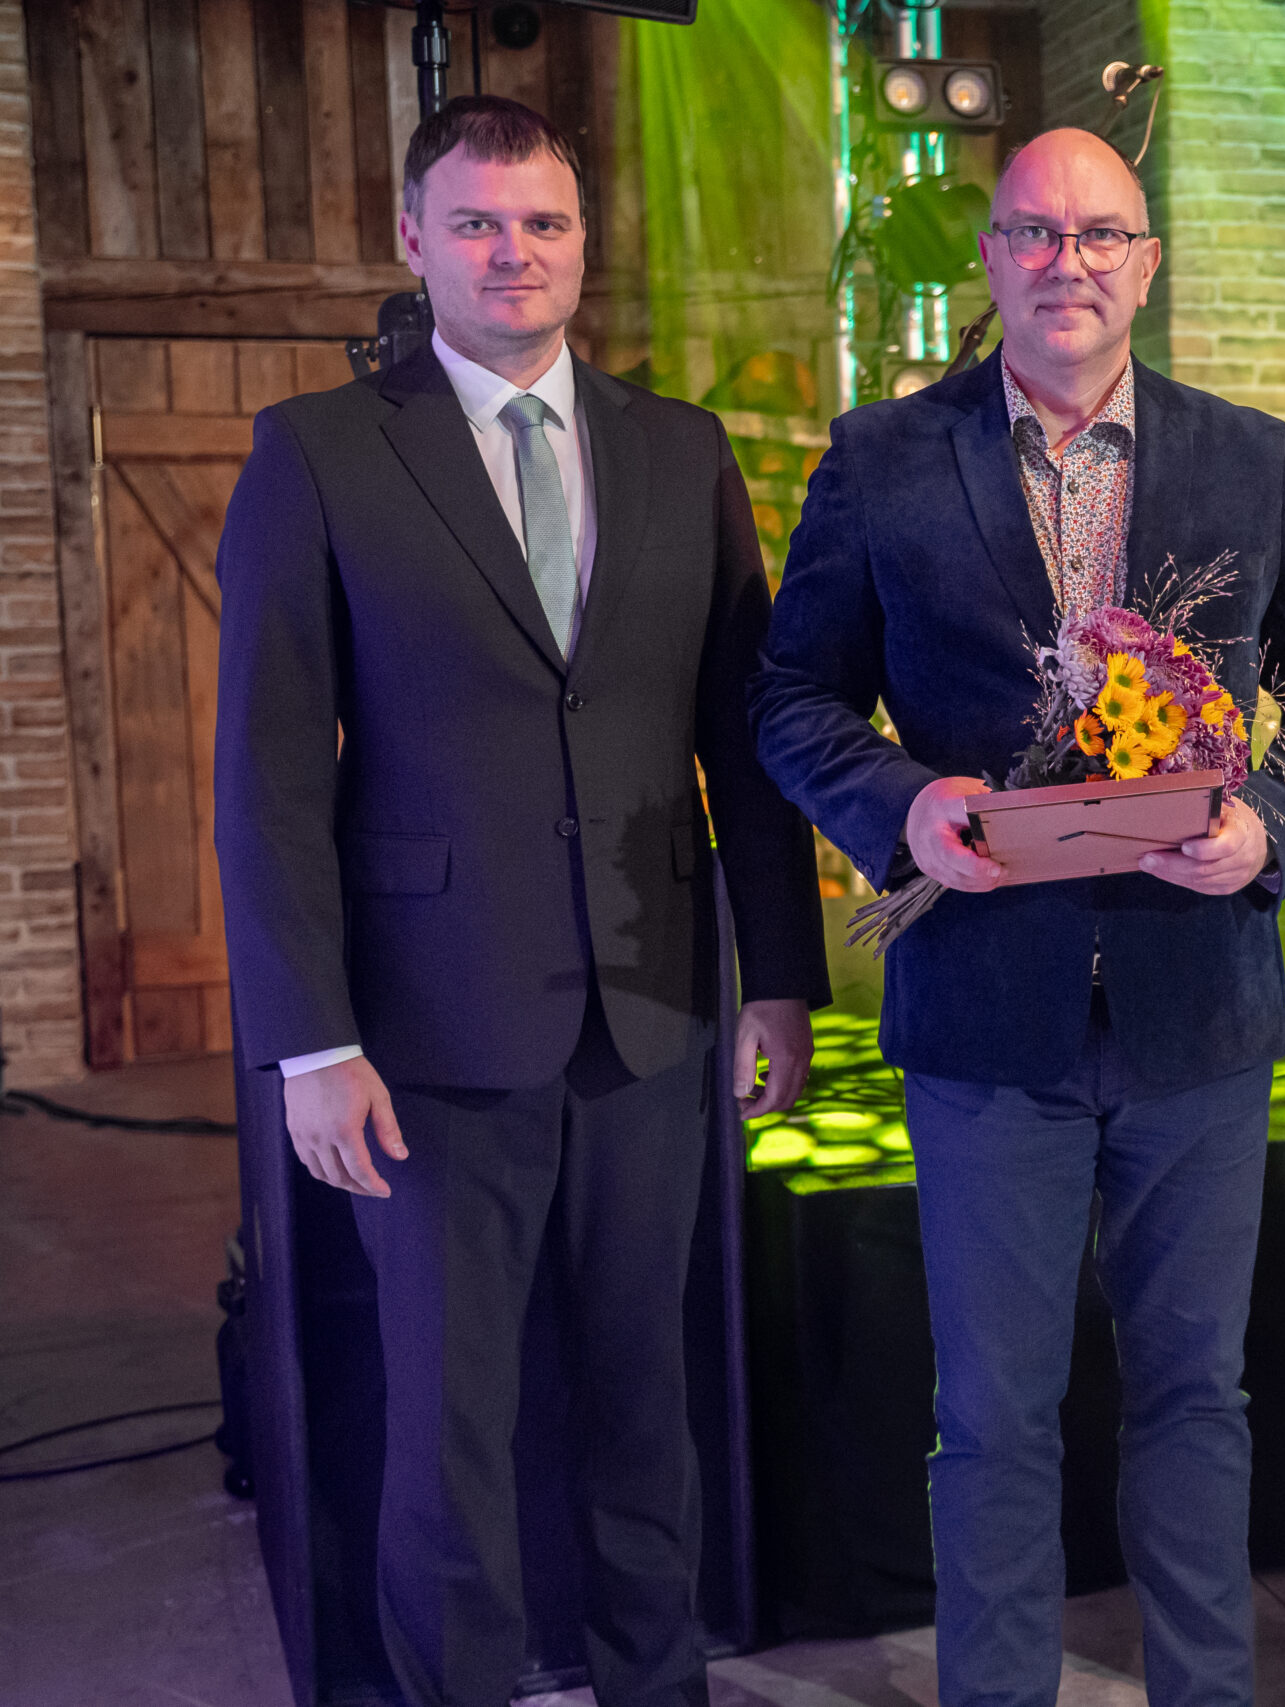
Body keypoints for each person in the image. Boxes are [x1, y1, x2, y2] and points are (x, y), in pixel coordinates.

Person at [748, 127, 1285, 1707]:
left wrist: (1271, 826)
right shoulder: (884, 457)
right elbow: (792, 696)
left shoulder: (1246, 457)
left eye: (1102, 235)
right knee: (991, 1416)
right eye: (1034, 233)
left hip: (1198, 1013)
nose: (1068, 263)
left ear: (1145, 265)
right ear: (992, 261)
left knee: (1197, 1399)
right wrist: (900, 806)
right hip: (983, 1014)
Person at [213, 97, 830, 1707]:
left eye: (542, 222)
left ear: (583, 244)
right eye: (477, 223)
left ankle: (657, 1688)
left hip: (653, 1010)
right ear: (413, 241)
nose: (513, 252)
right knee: (451, 1430)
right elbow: (267, 774)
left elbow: (742, 735)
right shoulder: (319, 452)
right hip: (424, 1032)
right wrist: (308, 1044)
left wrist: (779, 976)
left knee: (646, 1407)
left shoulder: (680, 449)